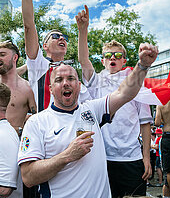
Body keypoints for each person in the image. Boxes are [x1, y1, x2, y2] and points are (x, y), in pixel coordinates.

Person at [18, 42, 158, 197]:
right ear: (50, 88)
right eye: (59, 80)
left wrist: (143, 65)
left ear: (79, 86)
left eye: (71, 78)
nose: (65, 83)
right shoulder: (36, 122)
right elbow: (28, 177)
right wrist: (67, 156)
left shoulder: (92, 110)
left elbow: (125, 92)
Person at [76, 5, 152, 197]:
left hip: (131, 158)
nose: (113, 58)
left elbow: (145, 124)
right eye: (108, 55)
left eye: (117, 55)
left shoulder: (135, 82)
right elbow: (84, 60)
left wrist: (146, 158)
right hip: (102, 157)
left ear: (124, 61)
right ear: (102, 61)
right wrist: (82, 30)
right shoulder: (96, 81)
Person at [22, 0, 91, 113]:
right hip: (44, 132)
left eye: (64, 37)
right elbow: (28, 25)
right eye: (55, 36)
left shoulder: (73, 74)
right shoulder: (38, 64)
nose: (62, 39)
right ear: (44, 46)